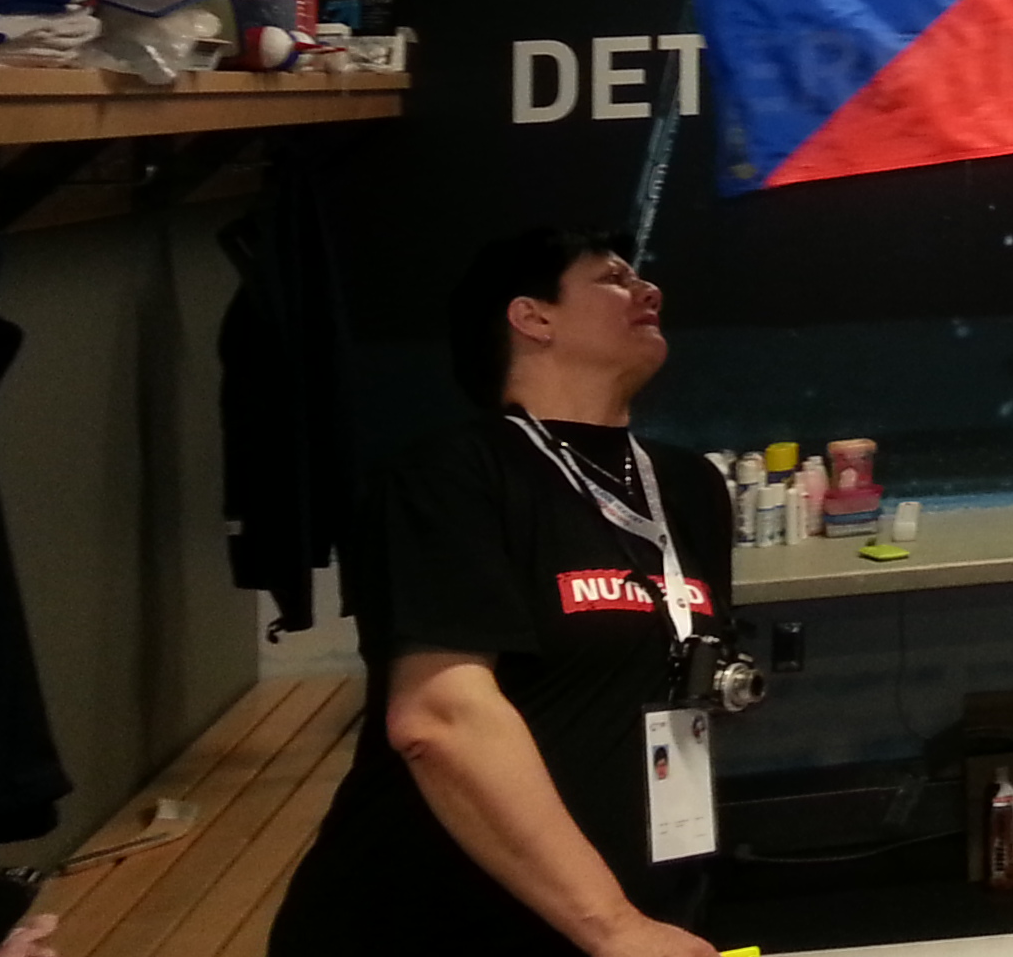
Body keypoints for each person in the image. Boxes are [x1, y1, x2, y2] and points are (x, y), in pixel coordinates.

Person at [270, 231, 740, 957]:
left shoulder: (690, 486)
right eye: (613, 278)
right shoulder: (451, 477)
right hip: (443, 923)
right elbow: (440, 717)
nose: (649, 291)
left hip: (632, 918)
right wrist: (613, 926)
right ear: (533, 317)